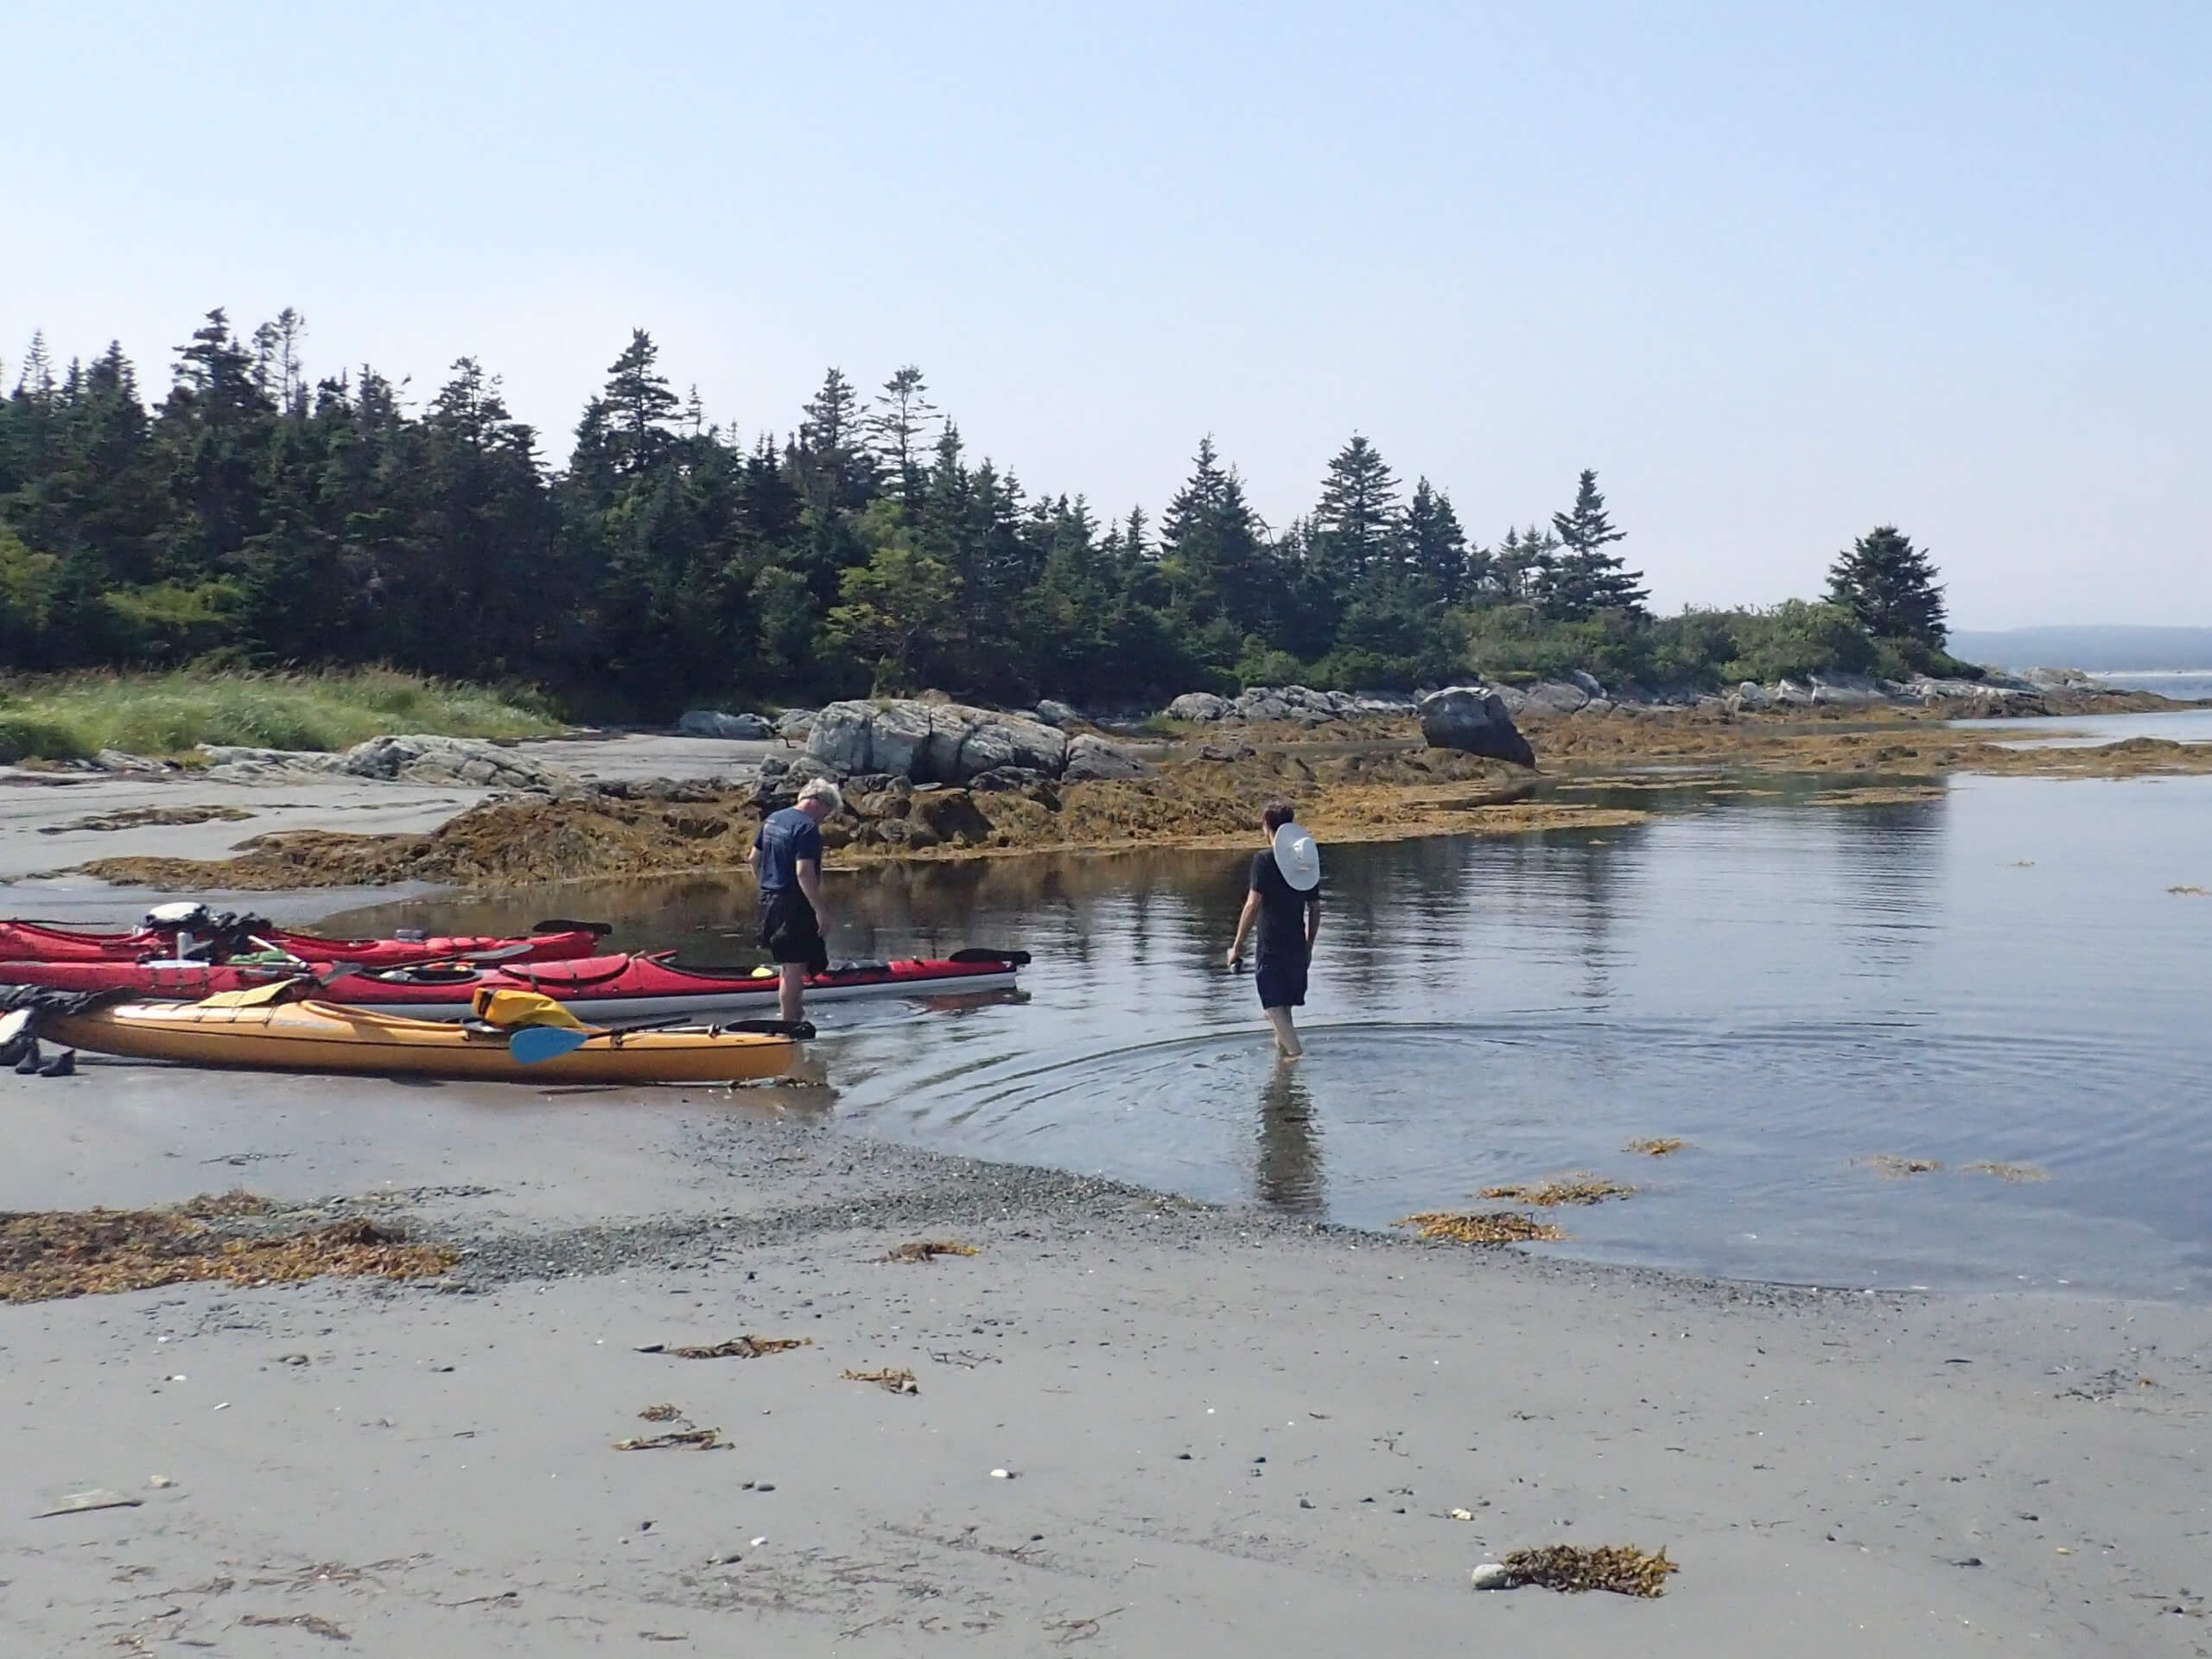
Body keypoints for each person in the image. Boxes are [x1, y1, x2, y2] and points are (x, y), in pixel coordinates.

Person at [1226, 801, 1321, 1058]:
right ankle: (1283, 1076)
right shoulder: (1305, 860)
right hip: (1297, 944)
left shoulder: (1264, 860)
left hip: (1271, 946)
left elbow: (1252, 904)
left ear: (1267, 827)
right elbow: (1315, 908)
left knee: (1271, 1009)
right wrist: (1309, 945)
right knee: (1284, 1012)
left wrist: (1236, 947)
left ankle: (1296, 1058)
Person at [747, 777, 842, 1023]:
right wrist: (820, 910)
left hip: (770, 902)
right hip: (794, 905)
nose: (824, 820)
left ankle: (794, 1017)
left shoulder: (774, 819)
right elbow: (804, 872)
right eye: (826, 814)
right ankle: (790, 1028)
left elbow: (753, 859)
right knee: (793, 970)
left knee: (789, 968)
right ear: (819, 803)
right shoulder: (807, 828)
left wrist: (768, 887)